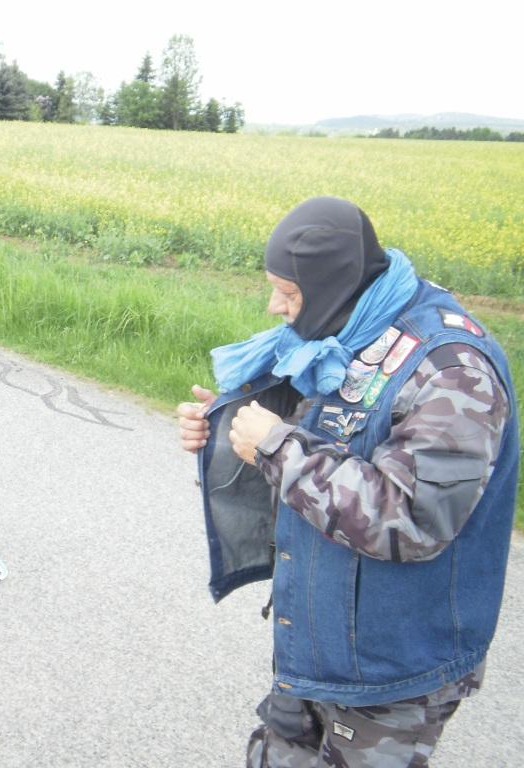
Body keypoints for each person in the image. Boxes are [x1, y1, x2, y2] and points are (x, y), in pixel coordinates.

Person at [177, 196, 518, 767]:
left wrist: (275, 447)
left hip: (392, 670)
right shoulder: (352, 331)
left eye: (288, 293)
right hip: (319, 640)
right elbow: (325, 449)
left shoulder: (453, 372)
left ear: (332, 285)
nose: (275, 306)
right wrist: (228, 432)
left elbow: (411, 521)